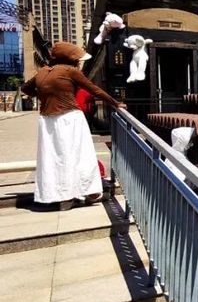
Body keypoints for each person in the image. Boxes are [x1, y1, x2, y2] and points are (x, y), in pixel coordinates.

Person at [21, 42, 125, 210]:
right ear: (71, 59)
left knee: (55, 158)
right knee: (81, 156)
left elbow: (25, 88)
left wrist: (44, 95)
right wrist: (116, 103)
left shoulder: (43, 71)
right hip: (70, 118)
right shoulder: (70, 71)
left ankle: (63, 196)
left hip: (47, 121)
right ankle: (85, 193)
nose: (79, 62)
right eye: (78, 59)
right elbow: (95, 90)